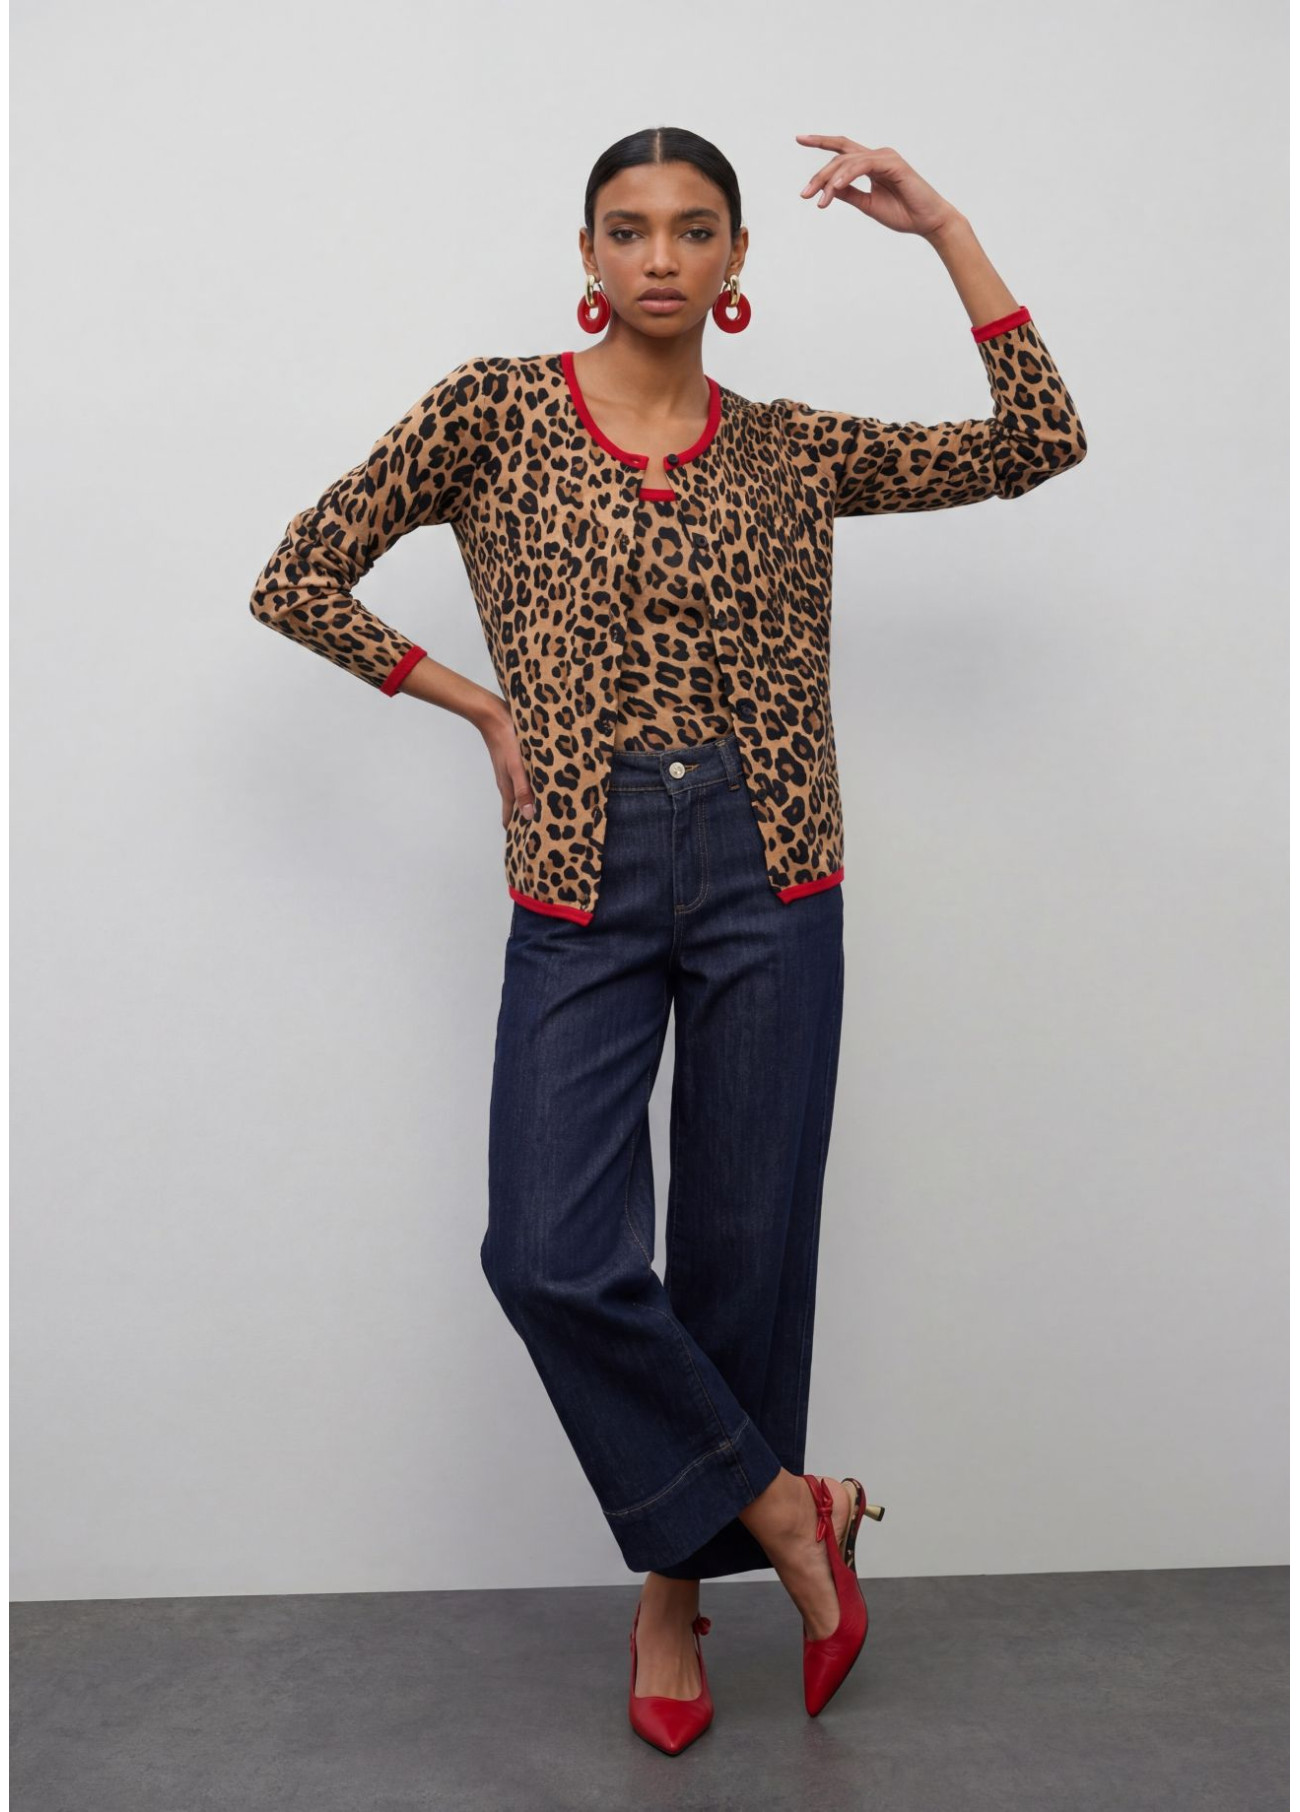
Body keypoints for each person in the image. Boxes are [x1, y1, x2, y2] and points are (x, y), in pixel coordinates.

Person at [249, 125, 1087, 1753]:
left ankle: (670, 1598)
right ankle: (786, 1509)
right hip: (582, 867)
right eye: (627, 229)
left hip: (776, 864)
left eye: (694, 229)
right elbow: (300, 576)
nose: (658, 257)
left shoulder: (789, 448)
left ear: (737, 260)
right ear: (586, 254)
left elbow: (1036, 440)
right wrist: (477, 703)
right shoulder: (493, 412)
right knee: (548, 1252)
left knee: (740, 1254)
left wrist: (945, 228)